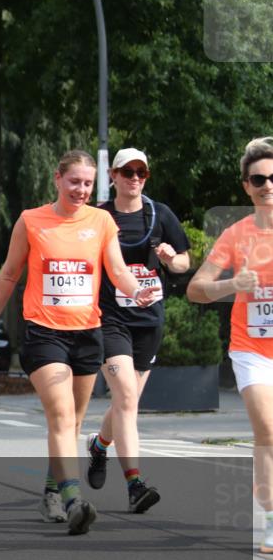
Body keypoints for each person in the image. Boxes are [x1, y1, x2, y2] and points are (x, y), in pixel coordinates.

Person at [0, 150, 158, 535]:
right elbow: (10, 274)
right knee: (61, 415)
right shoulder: (31, 221)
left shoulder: (101, 221)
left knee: (72, 421)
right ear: (57, 179)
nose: (81, 189)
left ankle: (50, 492)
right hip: (43, 332)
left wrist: (136, 290)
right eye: (74, 181)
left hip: (87, 333)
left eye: (88, 183)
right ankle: (75, 500)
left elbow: (116, 269)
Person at [85, 148, 190, 513]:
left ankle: (99, 446)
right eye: (127, 172)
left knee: (125, 402)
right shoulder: (98, 216)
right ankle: (135, 484)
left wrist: (170, 259)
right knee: (126, 398)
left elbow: (184, 261)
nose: (134, 178)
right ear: (112, 175)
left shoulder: (159, 214)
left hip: (149, 321)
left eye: (140, 172)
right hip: (110, 318)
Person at [188, 136, 273, 554]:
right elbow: (195, 289)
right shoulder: (236, 235)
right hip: (252, 349)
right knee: (267, 431)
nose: (268, 185)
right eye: (259, 178)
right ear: (246, 186)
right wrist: (233, 284)